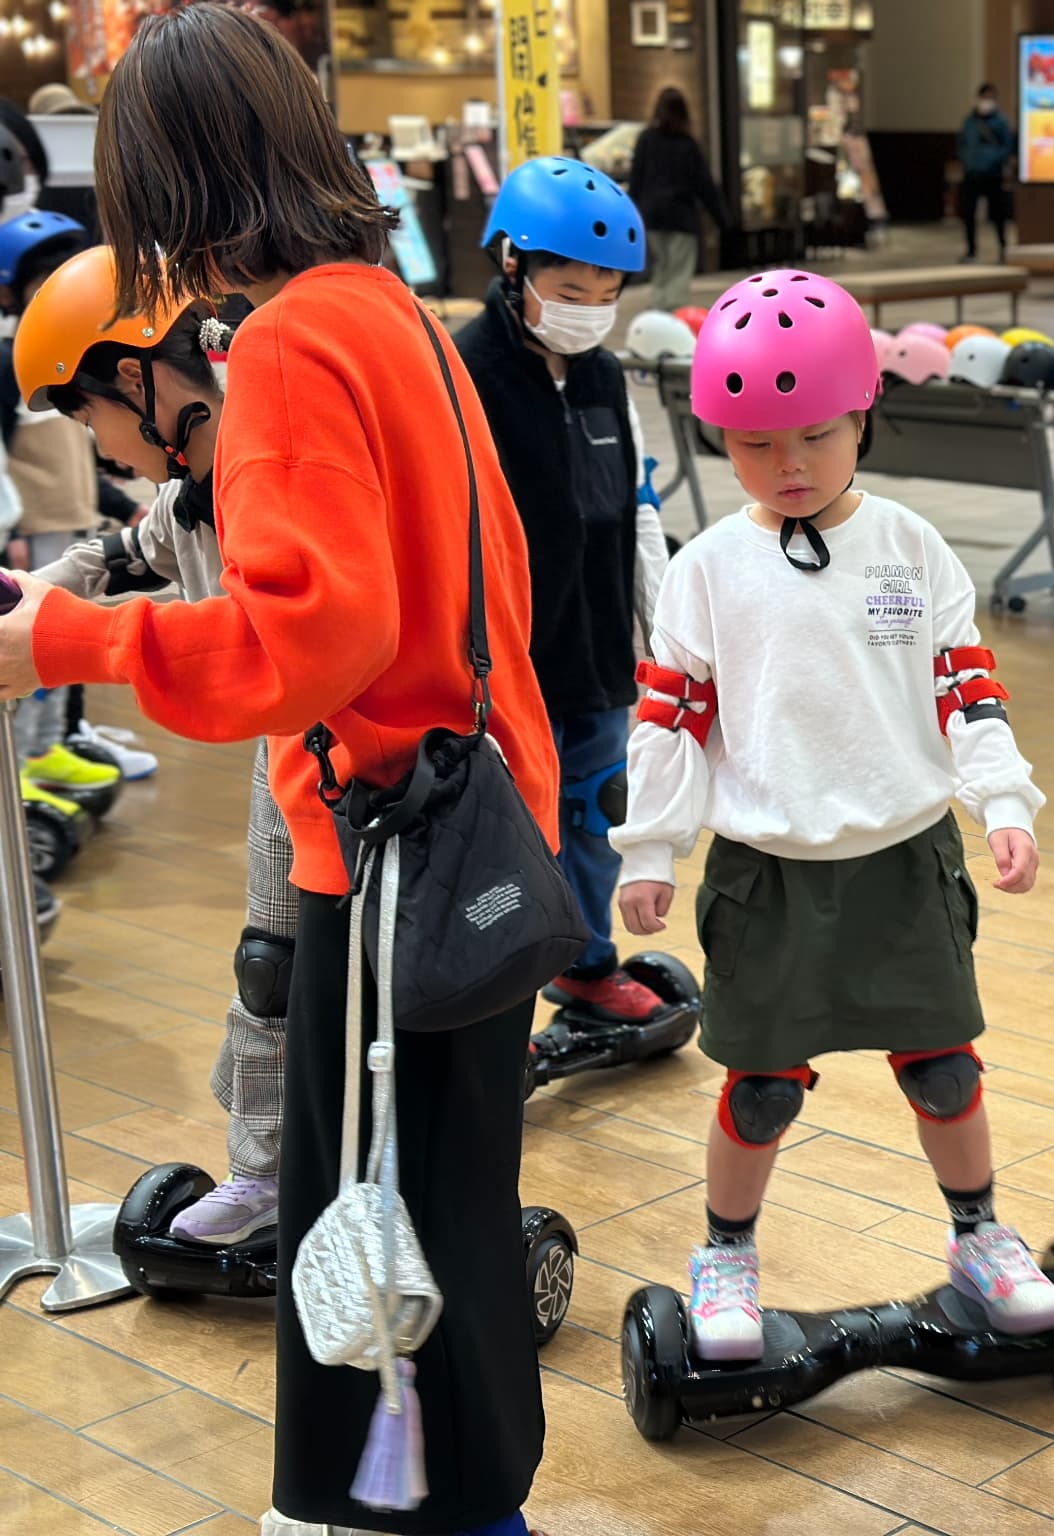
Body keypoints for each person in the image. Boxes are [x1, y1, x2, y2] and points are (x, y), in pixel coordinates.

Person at [0, 8, 559, 1532]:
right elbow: (492, 580)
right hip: (477, 841)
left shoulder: (290, 345)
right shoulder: (394, 316)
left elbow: (306, 638)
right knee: (441, 1236)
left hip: (384, 872)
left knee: (375, 1263)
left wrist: (71, 642)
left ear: (170, 184)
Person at [610, 268, 1054, 1360]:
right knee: (761, 1089)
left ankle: (978, 1237)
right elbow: (670, 720)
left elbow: (965, 689)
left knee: (944, 1068)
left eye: (815, 435)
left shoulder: (909, 547)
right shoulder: (708, 569)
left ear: (863, 414)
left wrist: (1003, 799)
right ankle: (726, 1256)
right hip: (766, 869)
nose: (790, 465)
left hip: (905, 858)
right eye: (755, 445)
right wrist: (651, 846)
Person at [18, 243, 294, 1242]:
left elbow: (268, 638)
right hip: (284, 766)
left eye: (86, 413)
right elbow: (124, 553)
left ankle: (390, 1173)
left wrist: (72, 635)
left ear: (137, 381)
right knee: (271, 969)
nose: (95, 444)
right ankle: (263, 1174)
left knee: (382, 981)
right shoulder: (186, 496)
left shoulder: (280, 468)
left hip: (380, 768)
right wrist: (41, 589)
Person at [457, 156, 673, 1028]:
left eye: (606, 292)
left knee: (596, 813)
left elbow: (633, 511)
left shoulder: (603, 376)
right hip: (502, 660)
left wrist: (665, 633)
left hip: (597, 653)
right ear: (514, 266)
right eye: (570, 288)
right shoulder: (464, 371)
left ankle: (586, 968)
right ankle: (500, 993)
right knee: (510, 830)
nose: (589, 307)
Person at [0, 210, 143, 807]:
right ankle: (21, 765)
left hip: (75, 519)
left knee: (58, 645)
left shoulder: (72, 363)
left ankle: (48, 747)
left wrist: (120, 508)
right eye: (42, 283)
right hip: (32, 529)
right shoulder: (10, 363)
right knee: (26, 644)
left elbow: (82, 457)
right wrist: (9, 529)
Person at [628, 86, 730, 312]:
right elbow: (705, 186)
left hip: (652, 216)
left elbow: (636, 180)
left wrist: (630, 216)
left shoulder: (646, 139)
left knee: (660, 267)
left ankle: (657, 310)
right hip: (681, 217)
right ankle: (674, 313)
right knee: (679, 270)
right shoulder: (687, 144)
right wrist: (723, 219)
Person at [958, 82, 1015, 262]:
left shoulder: (1000, 122)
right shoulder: (969, 121)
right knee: (968, 214)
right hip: (971, 173)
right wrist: (967, 161)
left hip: (993, 174)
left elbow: (1007, 146)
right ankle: (971, 251)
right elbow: (962, 144)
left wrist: (994, 160)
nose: (986, 102)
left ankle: (1003, 249)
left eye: (990, 98)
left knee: (998, 215)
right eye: (984, 98)